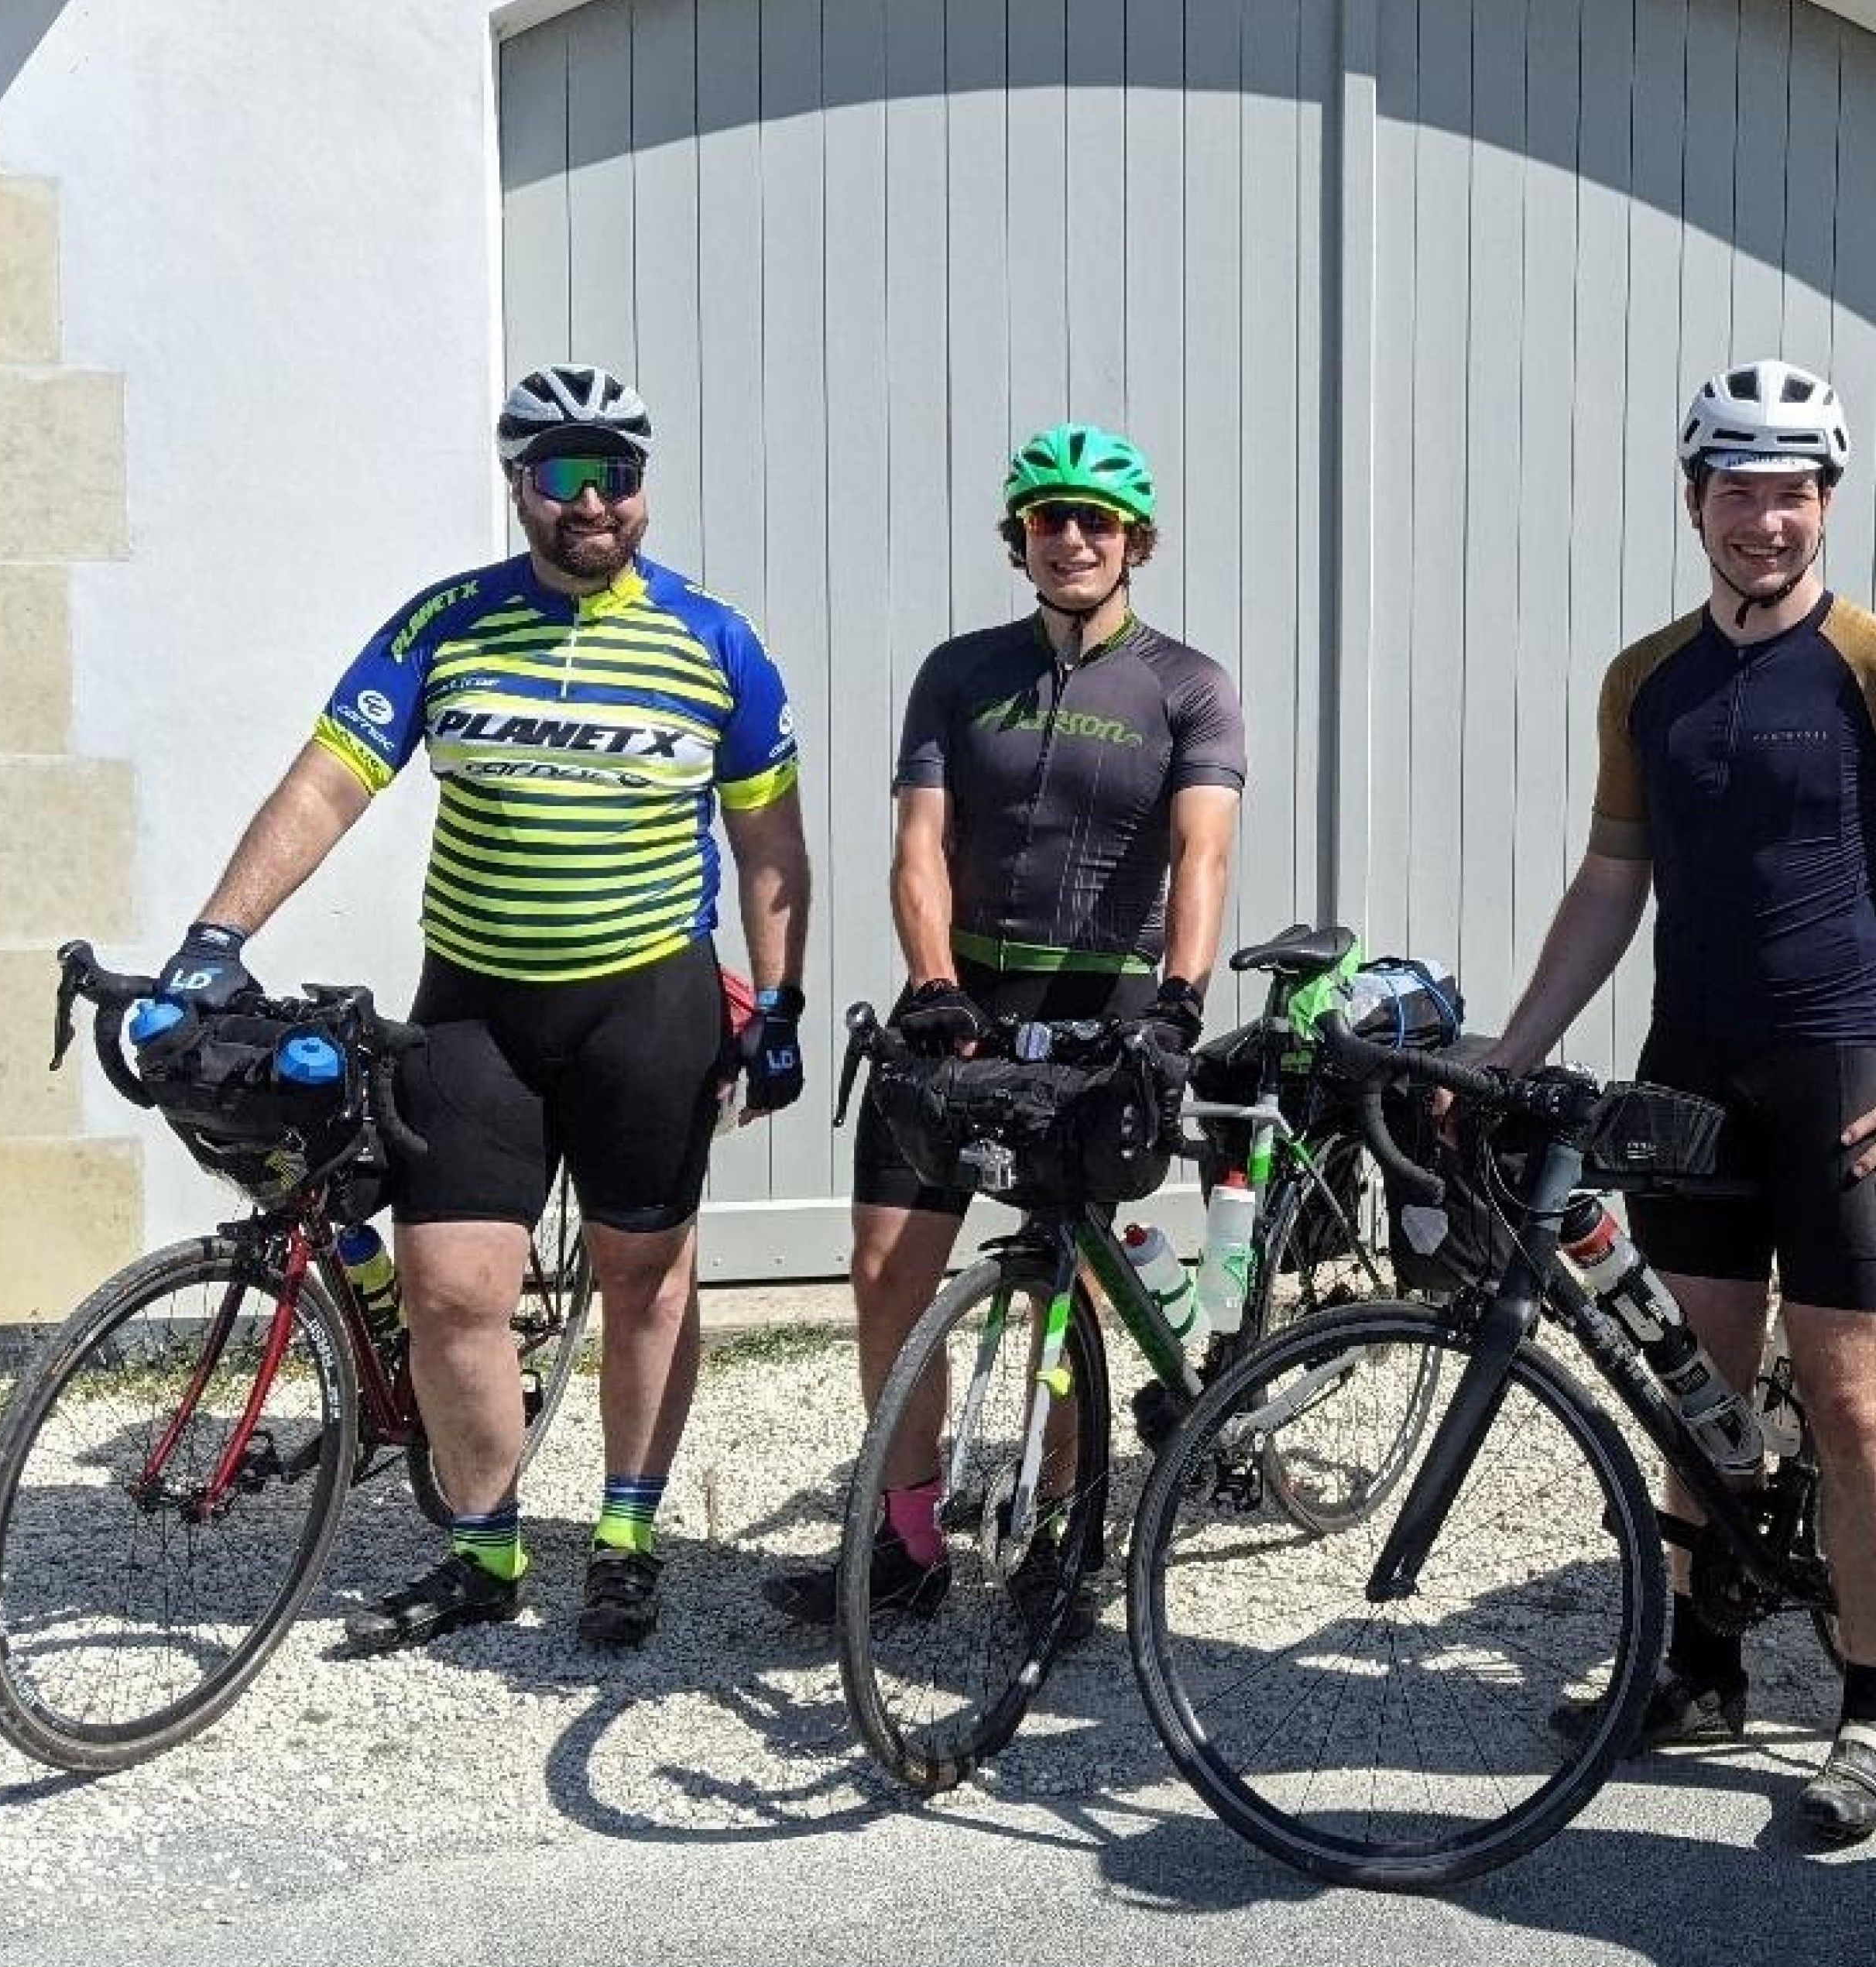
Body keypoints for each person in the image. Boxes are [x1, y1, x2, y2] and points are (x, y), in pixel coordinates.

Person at [1477, 359, 1876, 1845]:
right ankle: (1705, 1665)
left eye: (1794, 491)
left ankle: (1873, 1707)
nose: (1767, 519)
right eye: (1739, 489)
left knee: (1858, 1391)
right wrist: (1511, 1050)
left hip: (1851, 1065)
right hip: (1698, 1061)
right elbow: (1615, 880)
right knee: (1699, 1379)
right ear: (1695, 502)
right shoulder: (1646, 679)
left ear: (1828, 504)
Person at [152, 362, 811, 1653]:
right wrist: (214, 937)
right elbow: (329, 783)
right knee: (452, 1291)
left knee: (647, 1280)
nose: (590, 501)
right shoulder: (445, 624)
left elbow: (770, 843)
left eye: (613, 474)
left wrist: (780, 997)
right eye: (560, 474)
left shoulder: (713, 641)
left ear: (643, 488)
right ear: (517, 485)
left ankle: (627, 1533)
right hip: (474, 1009)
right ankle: (486, 1550)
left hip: (648, 1001)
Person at [759, 421, 1243, 1625]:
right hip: (965, 997)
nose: (1071, 538)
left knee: (1055, 1288)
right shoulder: (960, 670)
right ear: (1018, 541)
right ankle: (910, 1541)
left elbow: (1202, 853)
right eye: (1047, 519)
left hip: (1103, 1008)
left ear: (1137, 543)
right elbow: (919, 840)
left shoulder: (1188, 685)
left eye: (1095, 521)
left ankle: (1063, 1536)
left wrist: (1182, 996)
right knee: (884, 1270)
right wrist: (931, 984)